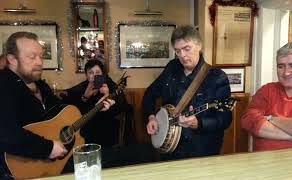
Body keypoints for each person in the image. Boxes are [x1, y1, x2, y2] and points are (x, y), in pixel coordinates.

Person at [0, 31, 115, 178]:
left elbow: (64, 117)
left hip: (54, 163)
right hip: (21, 169)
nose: (40, 62)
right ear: (12, 59)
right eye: (32, 57)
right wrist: (48, 148)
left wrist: (96, 108)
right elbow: (6, 133)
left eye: (41, 56)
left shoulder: (41, 86)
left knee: (130, 155)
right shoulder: (4, 85)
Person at [143, 25, 232, 160]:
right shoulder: (171, 68)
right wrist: (151, 117)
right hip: (169, 149)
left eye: (186, 48)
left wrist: (198, 123)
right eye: (178, 51)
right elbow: (150, 93)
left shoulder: (217, 77)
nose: (182, 55)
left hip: (201, 152)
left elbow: (225, 119)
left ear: (199, 45)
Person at [241, 42, 292, 151]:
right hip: (263, 163)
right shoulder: (267, 90)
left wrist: (270, 119)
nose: (286, 73)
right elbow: (249, 120)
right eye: (281, 66)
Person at [60, 59, 131, 147]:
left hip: (106, 129)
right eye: (91, 72)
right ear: (86, 75)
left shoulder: (110, 85)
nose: (94, 76)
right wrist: (85, 96)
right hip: (85, 130)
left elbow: (122, 107)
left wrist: (107, 95)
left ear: (103, 74)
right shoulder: (84, 87)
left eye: (98, 72)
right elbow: (74, 110)